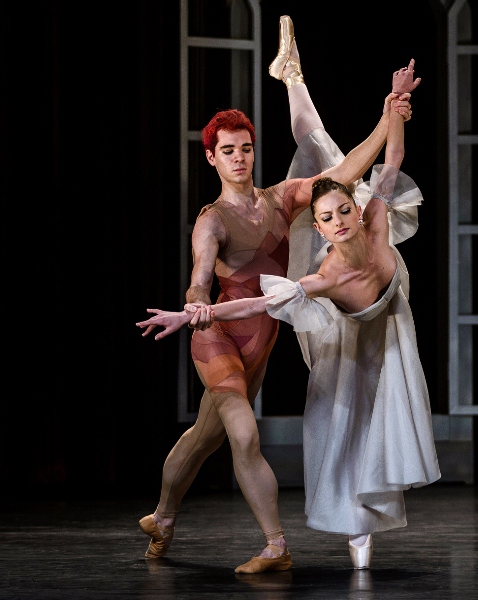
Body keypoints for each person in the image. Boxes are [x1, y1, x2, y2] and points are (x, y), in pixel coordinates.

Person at [137, 53, 441, 570]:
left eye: (246, 149)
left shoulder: (281, 200)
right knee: (244, 432)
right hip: (219, 336)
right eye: (228, 151)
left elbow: (349, 171)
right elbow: (202, 279)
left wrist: (391, 113)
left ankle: (163, 516)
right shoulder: (211, 223)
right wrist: (194, 310)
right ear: (211, 157)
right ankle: (276, 544)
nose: (239, 158)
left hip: (260, 341)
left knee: (201, 439)